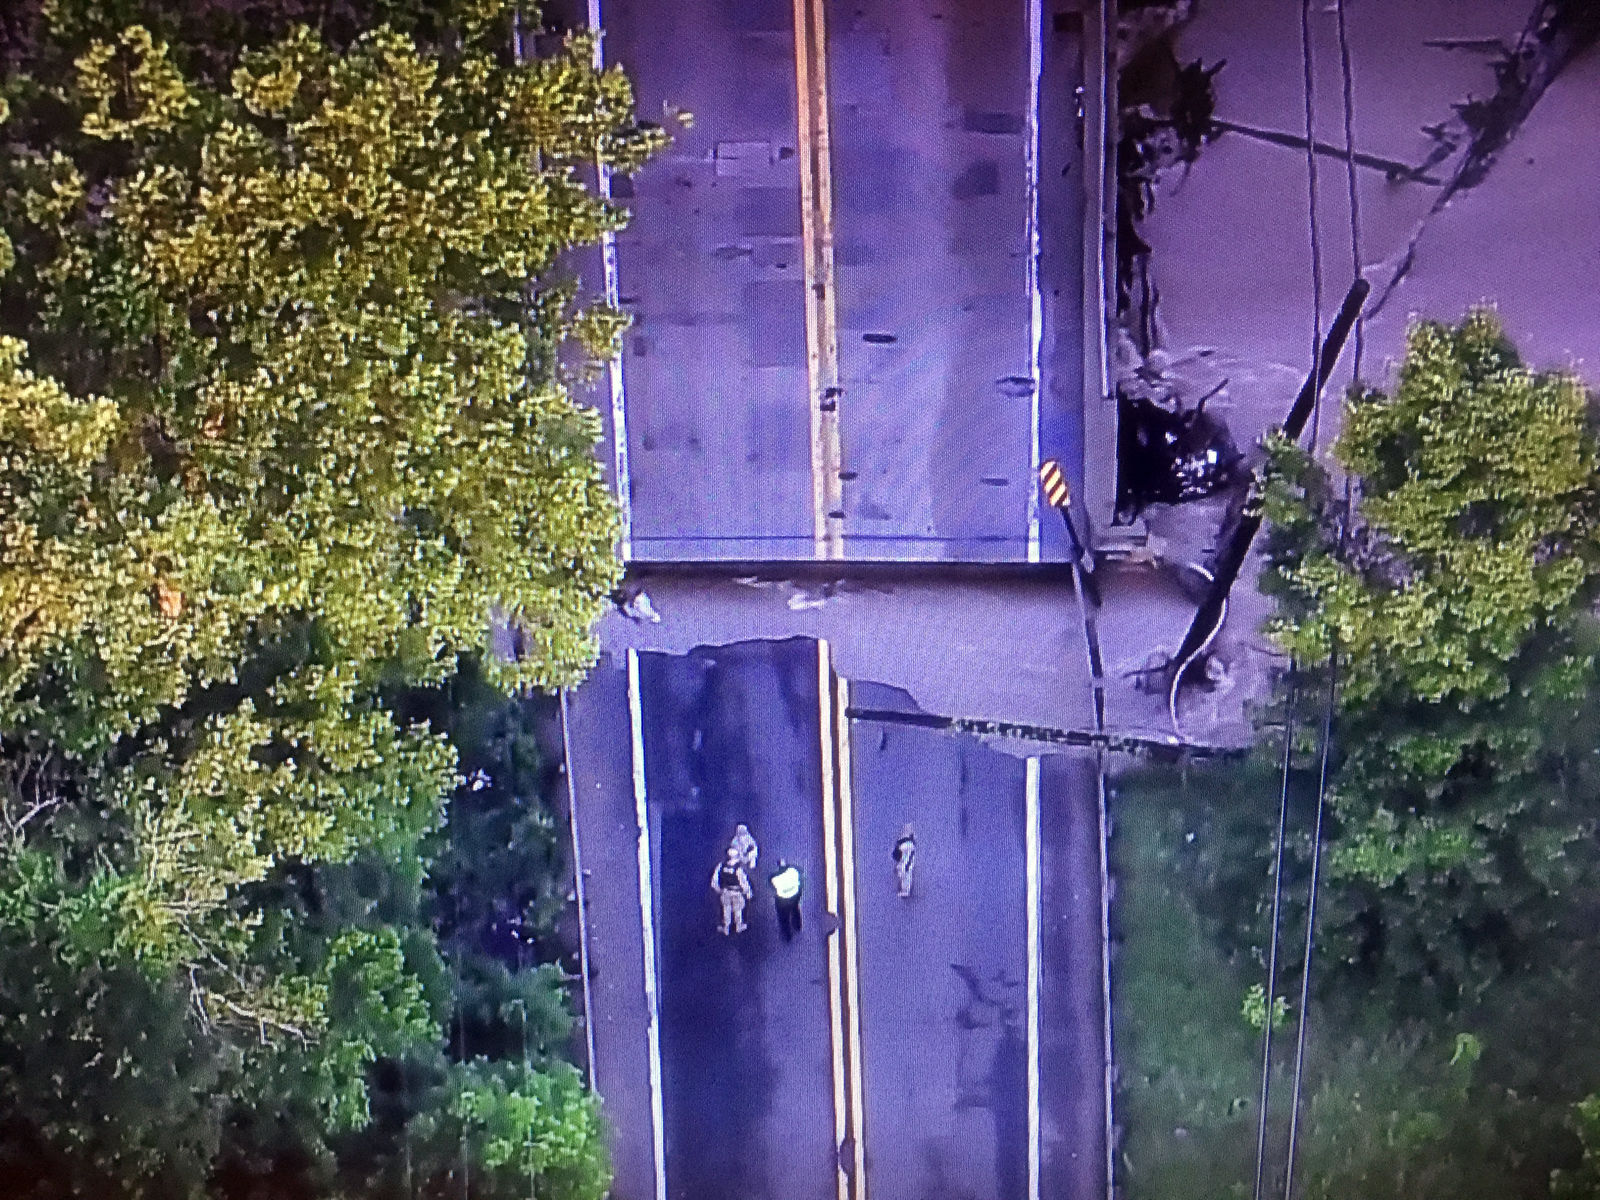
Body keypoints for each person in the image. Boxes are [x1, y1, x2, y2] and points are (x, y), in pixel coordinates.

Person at [711, 846, 752, 935]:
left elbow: (715, 879)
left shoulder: (721, 866)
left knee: (726, 909)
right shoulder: (738, 869)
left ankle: (726, 928)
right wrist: (748, 892)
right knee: (738, 909)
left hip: (725, 891)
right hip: (736, 892)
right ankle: (738, 926)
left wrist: (717, 889)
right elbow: (743, 881)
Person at [769, 859, 803, 942]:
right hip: (794, 896)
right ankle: (798, 925)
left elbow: (770, 883)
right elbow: (800, 872)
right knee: (795, 910)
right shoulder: (793, 871)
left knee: (784, 918)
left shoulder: (775, 878)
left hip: (783, 900)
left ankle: (787, 935)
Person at [892, 824, 916, 898]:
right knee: (906, 869)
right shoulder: (903, 846)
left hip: (906, 847)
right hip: (906, 846)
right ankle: (905, 890)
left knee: (906, 870)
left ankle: (905, 891)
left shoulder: (904, 846)